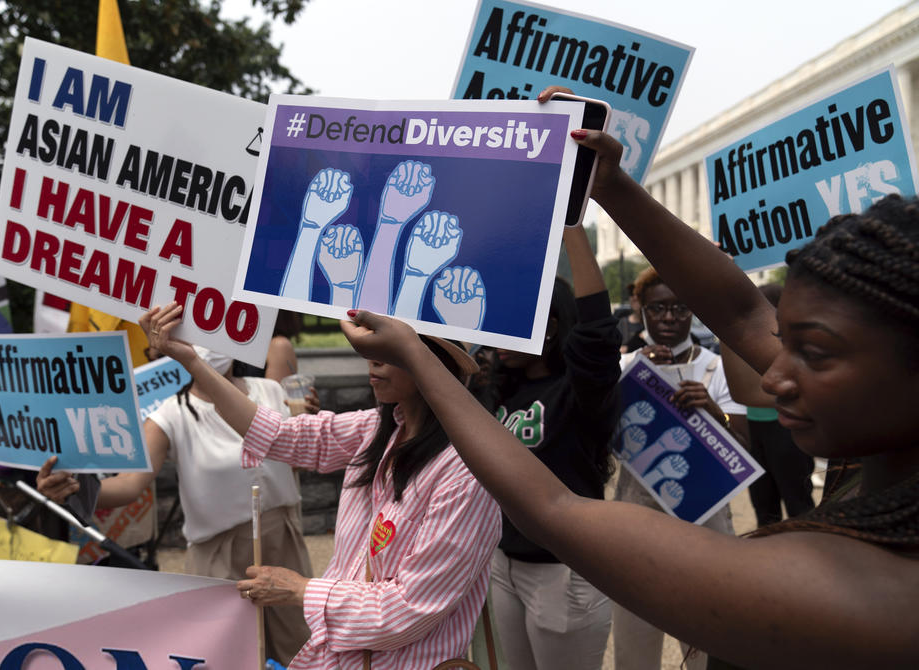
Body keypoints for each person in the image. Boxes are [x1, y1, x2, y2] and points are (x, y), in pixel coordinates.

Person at [337, 87, 919, 668]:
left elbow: (555, 510)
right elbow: (742, 311)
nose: (772, 378)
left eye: (813, 352)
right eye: (783, 342)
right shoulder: (879, 456)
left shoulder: (864, 595)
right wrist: (611, 186)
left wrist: (417, 358)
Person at [142, 302, 501, 670]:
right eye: (369, 348)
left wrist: (300, 589)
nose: (372, 361)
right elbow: (279, 434)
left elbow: (407, 609)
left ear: (433, 362)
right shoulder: (376, 429)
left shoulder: (465, 473)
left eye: (388, 350)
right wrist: (192, 361)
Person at [37, 345, 314, 666]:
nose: (208, 346)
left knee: (300, 647)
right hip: (218, 555)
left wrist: (309, 423)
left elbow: (298, 460)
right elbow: (129, 485)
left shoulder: (271, 390)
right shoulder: (171, 413)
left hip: (282, 539)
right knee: (225, 655)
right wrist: (73, 488)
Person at [469, 225, 619, 670]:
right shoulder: (495, 389)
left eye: (512, 321)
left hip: (564, 572)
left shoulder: (578, 391)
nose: (498, 336)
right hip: (504, 564)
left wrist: (571, 225)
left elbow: (597, 329)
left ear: (550, 327)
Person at [612, 266, 749, 670]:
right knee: (634, 640)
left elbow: (743, 445)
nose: (669, 318)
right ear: (642, 309)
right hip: (638, 518)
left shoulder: (717, 368)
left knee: (706, 637)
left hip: (705, 515)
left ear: (692, 312)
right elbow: (601, 436)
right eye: (658, 309)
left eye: (679, 308)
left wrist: (710, 409)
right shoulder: (623, 367)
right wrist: (634, 380)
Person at [723, 284, 816, 527]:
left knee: (799, 507)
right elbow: (744, 391)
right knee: (764, 510)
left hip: (785, 431)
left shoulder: (792, 349)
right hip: (757, 430)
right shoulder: (747, 343)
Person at [616, 282, 644, 353]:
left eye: (639, 294)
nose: (635, 297)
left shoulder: (652, 326)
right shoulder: (618, 323)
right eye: (631, 293)